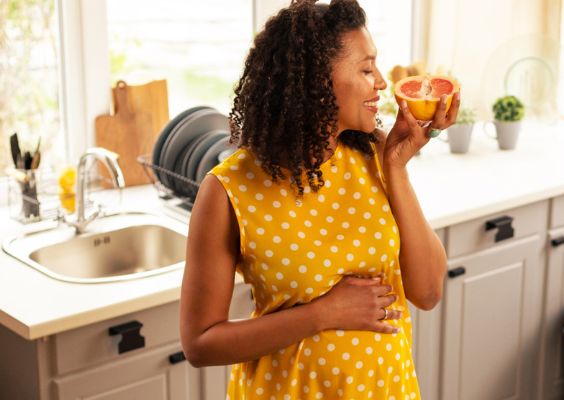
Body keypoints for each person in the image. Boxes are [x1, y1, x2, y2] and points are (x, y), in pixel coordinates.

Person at [180, 0, 457, 398]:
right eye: (365, 68)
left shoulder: (375, 156)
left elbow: (428, 292)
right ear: (315, 81)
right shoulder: (228, 189)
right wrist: (322, 314)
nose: (380, 82)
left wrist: (397, 167)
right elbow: (200, 343)